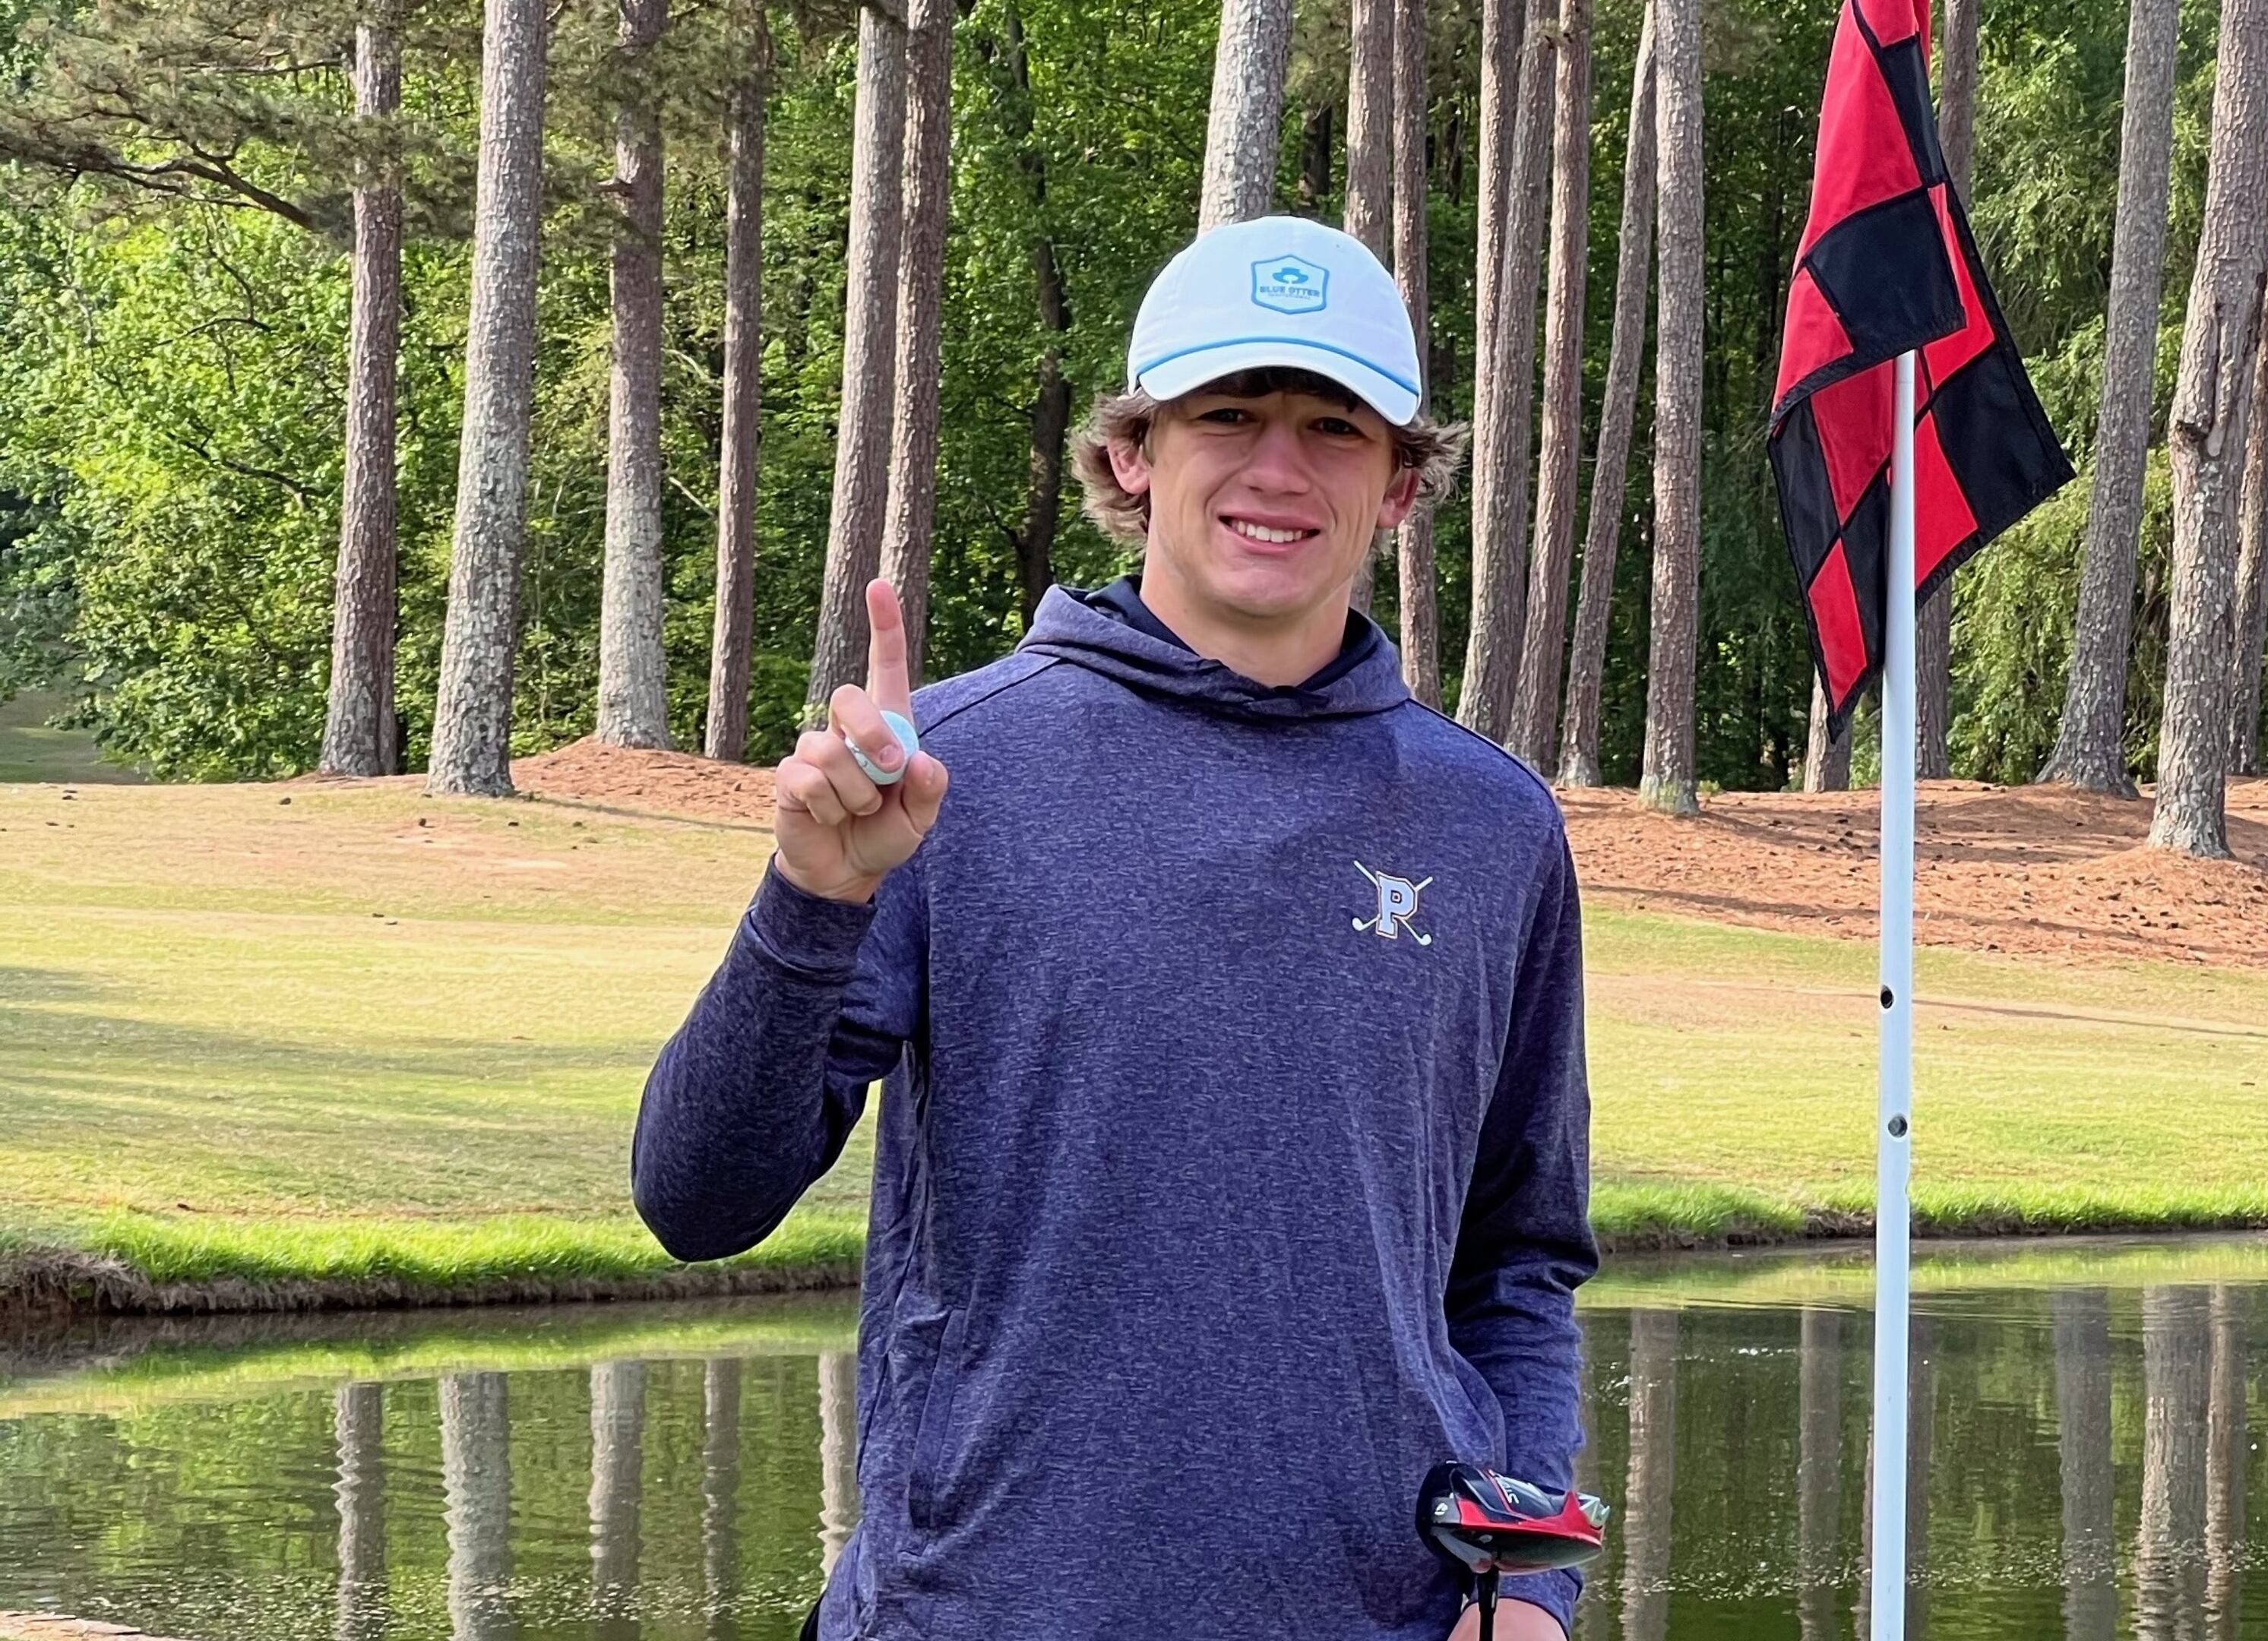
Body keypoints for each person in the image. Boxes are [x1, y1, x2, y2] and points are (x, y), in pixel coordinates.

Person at [632, 215, 1598, 1641]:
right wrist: (813, 901)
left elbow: (1518, 1261)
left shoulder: (1493, 825)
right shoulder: (942, 770)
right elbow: (697, 1201)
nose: (1279, 468)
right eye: (1230, 415)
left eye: (1335, 427)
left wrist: (1534, 1589)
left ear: (1402, 482)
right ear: (1132, 455)